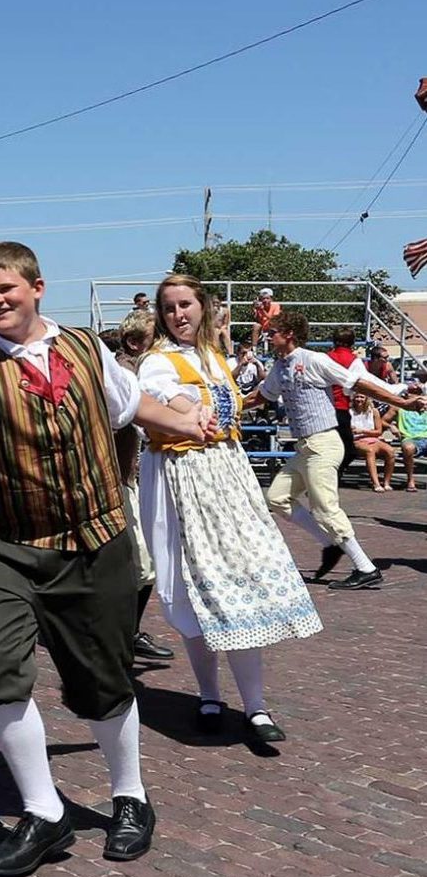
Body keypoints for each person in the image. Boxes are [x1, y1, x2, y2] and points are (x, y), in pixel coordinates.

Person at [0, 241, 216, 877]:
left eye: (6, 289)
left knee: (103, 683)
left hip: (98, 542)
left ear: (37, 288)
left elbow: (130, 405)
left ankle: (131, 797)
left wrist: (183, 424)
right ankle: (45, 812)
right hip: (14, 546)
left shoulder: (85, 349)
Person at [137, 276, 322, 745]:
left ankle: (255, 706)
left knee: (243, 581)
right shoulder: (158, 361)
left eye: (185, 304)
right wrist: (191, 412)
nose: (178, 314)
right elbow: (165, 394)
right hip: (184, 478)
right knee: (197, 586)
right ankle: (209, 695)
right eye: (169, 307)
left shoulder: (215, 358)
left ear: (203, 307)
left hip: (229, 478)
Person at [244, 311, 425, 590]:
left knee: (325, 509)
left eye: (273, 332)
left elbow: (358, 383)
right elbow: (260, 396)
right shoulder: (280, 367)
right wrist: (229, 407)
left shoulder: (314, 360)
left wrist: (402, 403)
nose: (268, 337)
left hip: (324, 443)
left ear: (289, 334)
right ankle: (330, 544)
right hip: (305, 447)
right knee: (277, 498)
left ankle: (366, 568)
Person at [111, 311, 175, 664]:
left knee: (138, 564)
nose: (164, 345)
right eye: (157, 339)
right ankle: (124, 637)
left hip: (126, 480)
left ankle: (122, 634)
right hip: (113, 484)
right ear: (135, 343)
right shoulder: (123, 376)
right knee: (143, 565)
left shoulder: (137, 372)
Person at [326, 328, 363, 482]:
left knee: (329, 448)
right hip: (340, 408)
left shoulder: (326, 357)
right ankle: (332, 474)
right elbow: (361, 383)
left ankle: (330, 474)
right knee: (349, 449)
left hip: (325, 407)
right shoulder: (354, 360)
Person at [350, 392, 396, 492]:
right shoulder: (349, 412)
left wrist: (362, 431)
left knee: (390, 451)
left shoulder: (374, 412)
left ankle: (387, 482)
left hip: (373, 439)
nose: (359, 399)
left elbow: (378, 431)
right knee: (370, 451)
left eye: (362, 397)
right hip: (357, 440)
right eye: (357, 397)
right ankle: (376, 483)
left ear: (366, 399)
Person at [395, 398, 427, 492]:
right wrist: (391, 426)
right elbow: (383, 421)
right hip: (410, 438)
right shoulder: (399, 408)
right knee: (408, 448)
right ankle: (410, 479)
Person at [250, 288, 281, 354]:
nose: (265, 300)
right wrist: (254, 309)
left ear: (271, 299)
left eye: (267, 298)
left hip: (272, 327)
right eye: (263, 298)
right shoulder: (259, 306)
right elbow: (256, 319)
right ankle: (254, 349)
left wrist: (263, 310)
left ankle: (274, 350)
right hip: (262, 327)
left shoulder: (276, 305)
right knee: (256, 326)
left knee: (273, 324)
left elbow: (274, 319)